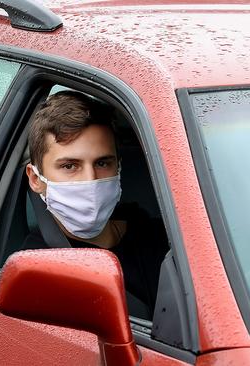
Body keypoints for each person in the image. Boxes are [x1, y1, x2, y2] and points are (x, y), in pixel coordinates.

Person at [24, 90, 168, 318]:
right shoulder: (35, 268)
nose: (90, 180)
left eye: (102, 163)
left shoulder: (162, 236)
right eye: (70, 166)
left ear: (118, 167)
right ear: (35, 179)